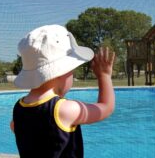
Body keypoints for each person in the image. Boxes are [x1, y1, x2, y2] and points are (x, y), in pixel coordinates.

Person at [10, 24, 115, 158]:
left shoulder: (19, 108)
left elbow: (14, 127)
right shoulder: (63, 109)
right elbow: (106, 108)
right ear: (61, 71)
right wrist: (104, 76)